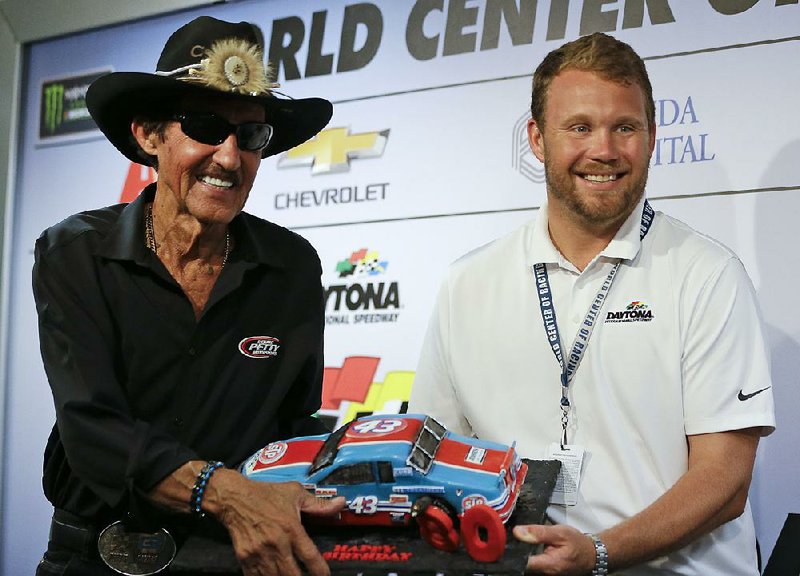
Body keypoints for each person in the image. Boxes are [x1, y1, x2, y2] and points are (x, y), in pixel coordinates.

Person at [409, 32, 775, 576]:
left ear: (651, 137)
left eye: (624, 127)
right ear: (536, 139)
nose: (603, 150)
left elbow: (724, 483)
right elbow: (434, 455)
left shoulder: (708, 274)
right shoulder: (467, 283)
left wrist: (599, 553)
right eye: (579, 127)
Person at [33, 16, 344, 576]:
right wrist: (226, 493)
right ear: (149, 136)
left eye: (250, 135)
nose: (230, 157)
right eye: (204, 126)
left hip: (234, 557)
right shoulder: (75, 253)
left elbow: (294, 424)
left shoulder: (293, 267)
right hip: (92, 558)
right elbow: (93, 430)